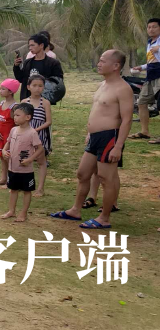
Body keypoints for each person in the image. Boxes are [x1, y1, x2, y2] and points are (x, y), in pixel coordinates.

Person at [50, 50, 133, 229]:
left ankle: (104, 218)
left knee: (105, 178)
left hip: (109, 137)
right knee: (82, 174)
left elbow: (127, 120)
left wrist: (118, 146)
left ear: (116, 66)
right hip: (95, 137)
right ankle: (75, 210)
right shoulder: (102, 84)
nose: (99, 64)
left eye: (103, 61)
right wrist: (90, 132)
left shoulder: (123, 89)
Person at [1, 103, 43, 222]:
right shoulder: (13, 130)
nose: (15, 117)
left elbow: (40, 148)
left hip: (26, 170)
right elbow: (8, 143)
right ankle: (11, 211)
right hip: (12, 168)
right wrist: (4, 151)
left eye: (18, 115)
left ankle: (23, 213)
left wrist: (30, 159)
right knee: (13, 190)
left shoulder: (32, 133)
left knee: (27, 191)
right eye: (14, 115)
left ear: (27, 117)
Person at [128, 18, 160, 144]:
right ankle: (145, 132)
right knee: (142, 102)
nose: (151, 29)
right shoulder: (150, 42)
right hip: (150, 76)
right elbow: (152, 61)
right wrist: (141, 67)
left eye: (154, 27)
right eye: (149, 27)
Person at [21, 75, 52, 197]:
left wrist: (35, 130)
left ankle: (40, 188)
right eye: (34, 85)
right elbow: (19, 118)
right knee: (23, 159)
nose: (37, 88)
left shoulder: (45, 103)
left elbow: (48, 121)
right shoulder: (24, 102)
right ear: (28, 87)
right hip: (25, 136)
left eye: (40, 86)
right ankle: (22, 185)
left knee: (41, 161)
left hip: (40, 137)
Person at [14, 33, 64, 101]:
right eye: (29, 46)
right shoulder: (27, 62)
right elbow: (20, 79)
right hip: (27, 98)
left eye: (32, 45)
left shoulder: (53, 63)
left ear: (41, 45)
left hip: (44, 100)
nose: (30, 48)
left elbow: (58, 81)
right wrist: (16, 67)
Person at [0, 79, 20, 186]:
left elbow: (17, 123)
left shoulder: (15, 106)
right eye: (0, 89)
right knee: (2, 157)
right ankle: (3, 178)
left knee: (9, 158)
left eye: (3, 89)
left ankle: (11, 180)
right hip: (1, 136)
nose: (0, 91)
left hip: (9, 137)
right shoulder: (1, 103)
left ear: (11, 91)